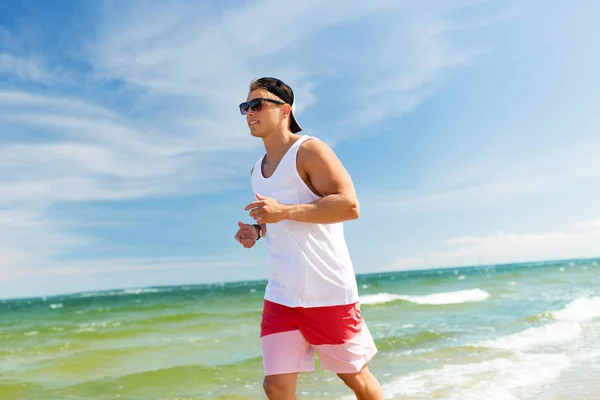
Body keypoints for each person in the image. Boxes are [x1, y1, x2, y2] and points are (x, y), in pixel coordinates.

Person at [234, 77, 384, 400]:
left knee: (355, 378)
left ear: (284, 109)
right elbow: (277, 217)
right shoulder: (255, 172)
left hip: (326, 292)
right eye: (245, 107)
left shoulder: (309, 150)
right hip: (281, 294)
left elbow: (349, 205)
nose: (249, 113)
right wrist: (258, 231)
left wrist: (283, 211)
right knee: (275, 386)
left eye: (257, 105)